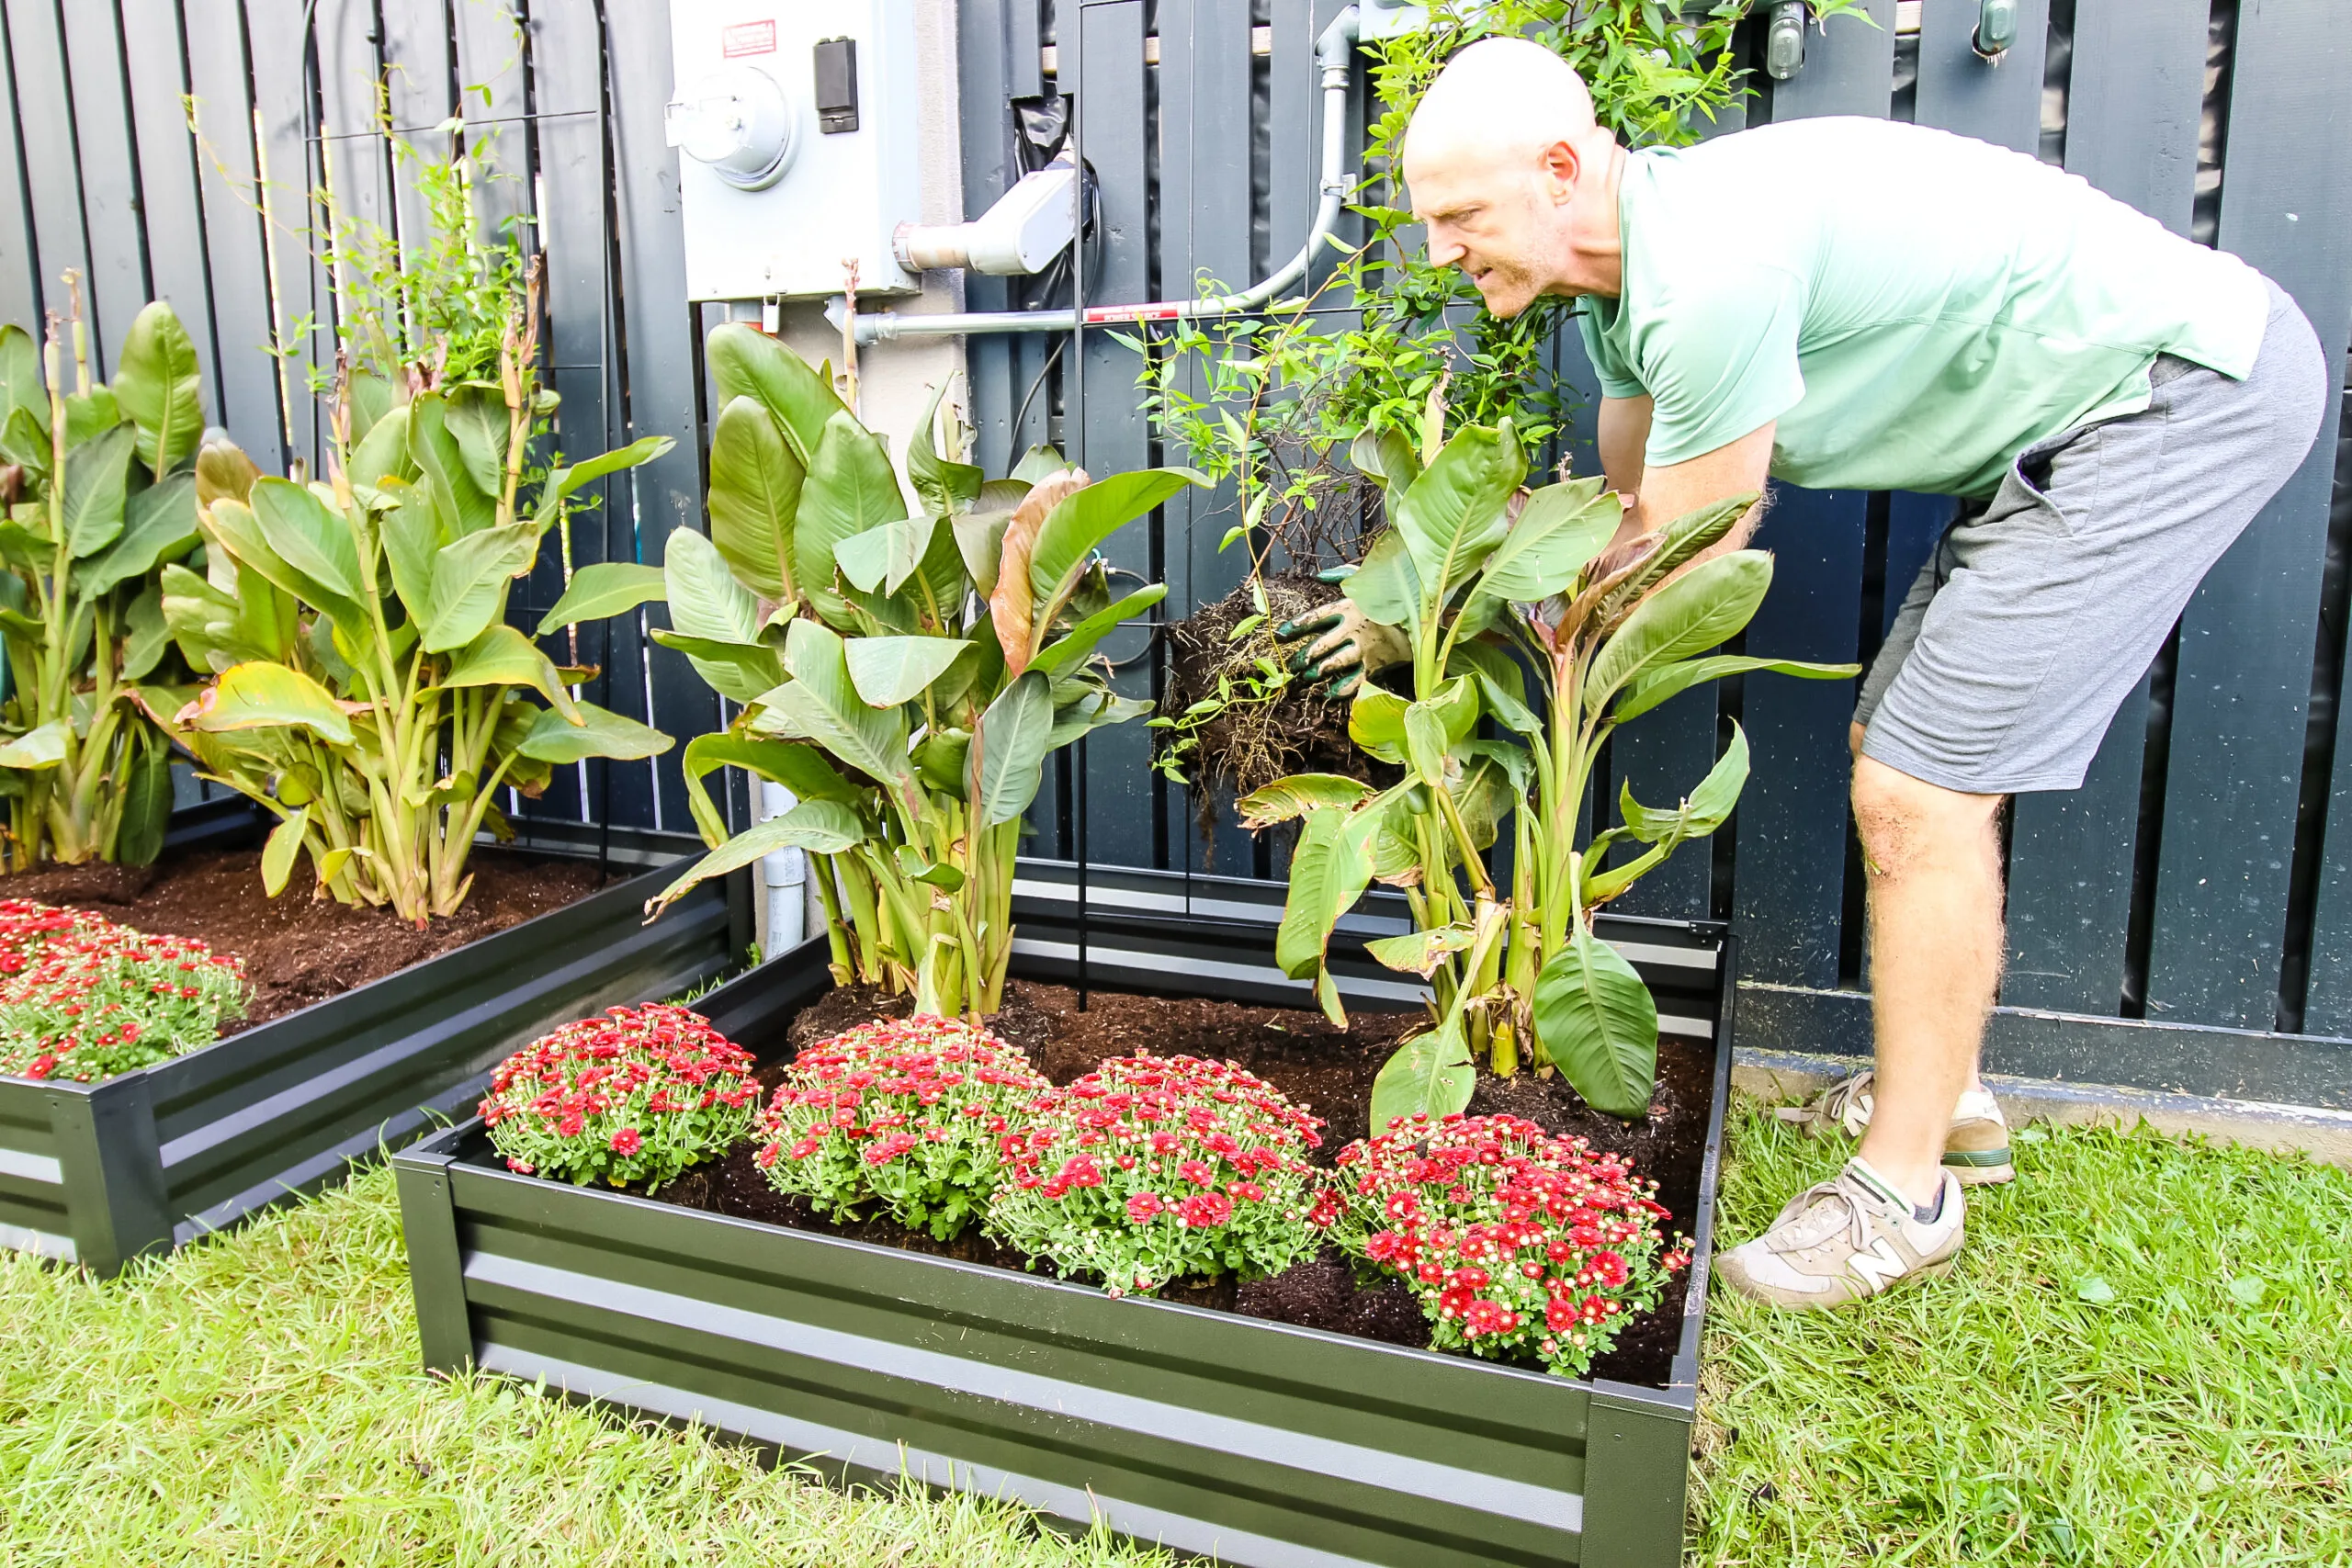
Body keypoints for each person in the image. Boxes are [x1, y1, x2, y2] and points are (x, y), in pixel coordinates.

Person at [1279, 37, 2327, 1309]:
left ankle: (1904, 1195)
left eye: (1459, 216)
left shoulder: (1711, 268)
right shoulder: (1630, 296)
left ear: (1559, 170)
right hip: (2092, 413)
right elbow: (1621, 512)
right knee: (1917, 754)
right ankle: (1949, 1101)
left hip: (2175, 391)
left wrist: (1429, 611)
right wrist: (1416, 594)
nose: (1440, 251)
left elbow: (1678, 557)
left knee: (1916, 788)